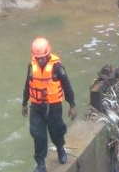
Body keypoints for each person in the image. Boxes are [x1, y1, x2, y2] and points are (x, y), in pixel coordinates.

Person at [22, 37, 77, 170]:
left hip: (53, 106)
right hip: (36, 106)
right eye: (38, 57)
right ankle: (41, 163)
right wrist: (24, 103)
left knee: (56, 131)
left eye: (42, 57)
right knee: (38, 134)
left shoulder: (57, 67)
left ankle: (60, 148)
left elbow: (66, 85)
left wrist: (72, 104)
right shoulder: (32, 66)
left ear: (47, 55)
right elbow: (27, 85)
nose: (40, 60)